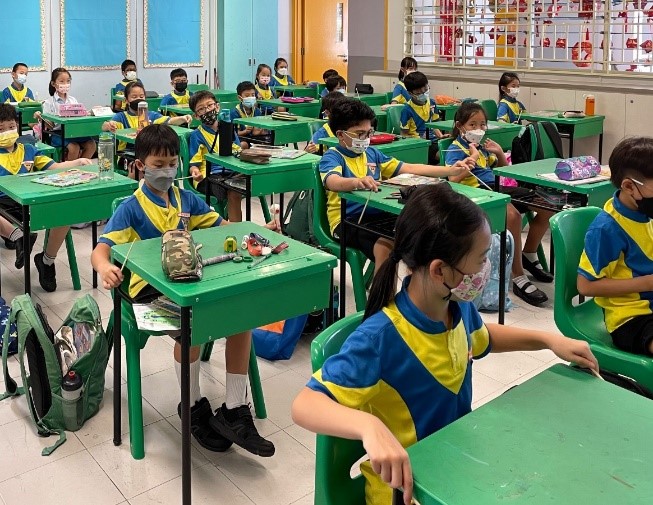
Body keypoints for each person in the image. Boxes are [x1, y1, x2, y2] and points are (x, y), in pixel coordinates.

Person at [292, 183, 599, 505]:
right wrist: (369, 426)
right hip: (408, 489)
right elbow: (305, 405)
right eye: (481, 259)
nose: (486, 269)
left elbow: (483, 338)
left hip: (455, 465)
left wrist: (548, 340)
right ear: (440, 270)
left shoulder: (456, 304)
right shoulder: (380, 338)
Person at [91, 124, 277, 457]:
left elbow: (222, 226)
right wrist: (105, 269)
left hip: (191, 284)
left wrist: (258, 229)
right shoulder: (131, 208)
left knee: (241, 316)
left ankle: (234, 408)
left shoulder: (186, 198)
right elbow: (101, 249)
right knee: (193, 329)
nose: (166, 171)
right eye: (158, 164)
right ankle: (191, 406)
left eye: (171, 163)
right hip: (147, 296)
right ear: (139, 165)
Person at [320, 98, 472, 273]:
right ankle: (381, 299)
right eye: (360, 134)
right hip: (347, 221)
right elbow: (333, 181)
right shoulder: (333, 156)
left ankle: (412, 291)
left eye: (369, 133)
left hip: (378, 213)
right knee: (385, 247)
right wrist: (355, 182)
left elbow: (409, 168)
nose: (366, 138)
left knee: (426, 234)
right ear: (340, 134)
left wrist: (450, 170)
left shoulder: (372, 153)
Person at [445, 102, 554, 306]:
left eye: (483, 124)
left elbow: (504, 173)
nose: (479, 129)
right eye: (472, 125)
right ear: (460, 126)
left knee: (548, 204)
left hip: (496, 187)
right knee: (511, 216)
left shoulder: (484, 146)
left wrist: (500, 155)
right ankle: (517, 275)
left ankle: (529, 253)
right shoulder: (455, 149)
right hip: (475, 194)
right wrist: (472, 158)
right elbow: (452, 180)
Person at [0, 104, 91, 290]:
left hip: (30, 200)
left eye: (11, 127)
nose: (7, 132)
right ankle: (18, 237)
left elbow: (54, 167)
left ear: (17, 126)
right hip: (3, 203)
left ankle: (46, 260)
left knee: (64, 211)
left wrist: (78, 162)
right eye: (0, 129)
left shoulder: (29, 150)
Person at [578, 136, 653, 356]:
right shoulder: (607, 229)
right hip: (632, 318)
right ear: (629, 186)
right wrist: (648, 282)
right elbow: (586, 286)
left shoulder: (645, 211)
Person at [102, 82, 191, 178]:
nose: (138, 99)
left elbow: (169, 120)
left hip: (150, 154)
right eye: (134, 97)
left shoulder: (152, 115)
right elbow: (105, 126)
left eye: (141, 96)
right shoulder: (121, 117)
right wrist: (108, 125)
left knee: (163, 164)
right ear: (126, 100)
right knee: (142, 169)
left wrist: (183, 118)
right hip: (128, 156)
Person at [188, 91, 245, 222]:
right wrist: (195, 172)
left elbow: (237, 150)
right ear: (196, 116)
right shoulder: (197, 135)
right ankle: (235, 229)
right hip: (207, 178)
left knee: (248, 182)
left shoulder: (228, 128)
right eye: (201, 109)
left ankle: (236, 226)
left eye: (209, 106)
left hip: (230, 172)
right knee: (234, 190)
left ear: (217, 107)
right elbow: (194, 164)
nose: (207, 110)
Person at [36, 68, 96, 162]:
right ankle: (68, 170)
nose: (65, 84)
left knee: (91, 144)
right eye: (62, 81)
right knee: (74, 147)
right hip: (58, 134)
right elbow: (50, 125)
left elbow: (80, 116)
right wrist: (41, 118)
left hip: (73, 132)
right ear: (53, 83)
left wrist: (90, 112)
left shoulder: (73, 100)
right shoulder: (48, 103)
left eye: (68, 81)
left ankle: (81, 167)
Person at [399, 71, 444, 164]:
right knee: (444, 155)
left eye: (425, 90)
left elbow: (434, 125)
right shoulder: (407, 110)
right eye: (419, 93)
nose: (423, 93)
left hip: (434, 141)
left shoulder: (432, 103)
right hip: (419, 145)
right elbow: (403, 135)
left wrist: (441, 137)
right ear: (410, 93)